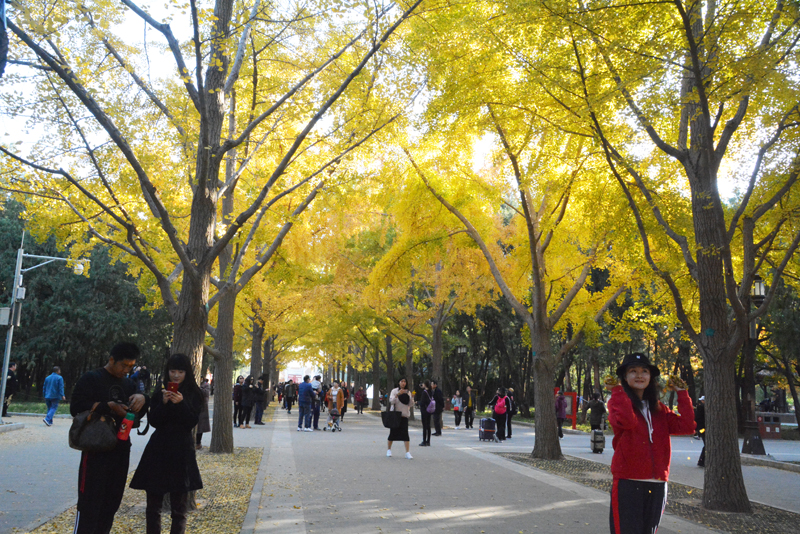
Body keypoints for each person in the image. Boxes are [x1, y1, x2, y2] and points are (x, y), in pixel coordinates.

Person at [606, 352, 695, 534]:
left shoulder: (660, 409)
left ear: (651, 377)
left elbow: (687, 426)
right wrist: (617, 391)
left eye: (644, 371)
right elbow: (628, 422)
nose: (639, 375)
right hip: (628, 482)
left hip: (657, 484)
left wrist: (682, 393)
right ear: (625, 377)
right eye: (633, 371)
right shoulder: (618, 403)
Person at [70, 342, 148, 534]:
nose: (126, 370)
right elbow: (76, 407)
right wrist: (108, 406)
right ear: (111, 360)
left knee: (111, 504)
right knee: (89, 504)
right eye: (124, 365)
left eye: (131, 366)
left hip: (121, 449)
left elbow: (137, 415)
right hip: (95, 450)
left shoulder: (129, 384)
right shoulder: (91, 378)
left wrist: (143, 399)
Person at [130, 354, 203, 534]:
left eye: (180, 372)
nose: (176, 375)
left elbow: (191, 422)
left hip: (181, 450)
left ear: (187, 372)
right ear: (167, 371)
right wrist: (163, 403)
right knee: (153, 506)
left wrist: (181, 403)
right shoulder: (160, 392)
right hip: (158, 449)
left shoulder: (195, 393)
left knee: (179, 508)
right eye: (172, 371)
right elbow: (154, 421)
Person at [386, 378, 414, 459]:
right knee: (392, 434)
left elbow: (410, 404)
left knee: (406, 435)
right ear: (399, 382)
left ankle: (407, 452)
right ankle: (389, 450)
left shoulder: (408, 392)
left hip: (404, 415)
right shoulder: (394, 391)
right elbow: (391, 401)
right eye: (402, 381)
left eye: (405, 381)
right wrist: (398, 394)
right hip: (395, 415)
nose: (403, 383)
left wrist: (412, 398)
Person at [196, 378, 211, 449]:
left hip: (202, 408)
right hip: (193, 407)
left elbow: (206, 393)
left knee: (200, 427)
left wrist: (198, 388)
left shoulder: (206, 385)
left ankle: (198, 443)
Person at [417, 381, 433, 446]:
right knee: (428, 426)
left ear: (425, 385)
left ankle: (424, 441)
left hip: (424, 410)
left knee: (424, 426)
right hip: (429, 409)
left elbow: (422, 402)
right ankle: (428, 441)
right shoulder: (431, 392)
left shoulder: (424, 392)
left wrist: (417, 402)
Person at [695, 396, 706, 467]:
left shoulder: (699, 408)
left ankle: (702, 461)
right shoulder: (702, 408)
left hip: (701, 428)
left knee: (706, 444)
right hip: (703, 428)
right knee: (707, 445)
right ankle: (701, 461)